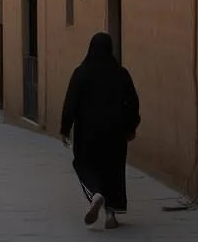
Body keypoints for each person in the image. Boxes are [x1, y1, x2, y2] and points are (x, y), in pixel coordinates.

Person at [60, 31, 141, 230]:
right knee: (113, 170)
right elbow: (133, 102)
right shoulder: (121, 73)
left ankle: (95, 194)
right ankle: (111, 215)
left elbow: (71, 102)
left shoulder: (81, 73)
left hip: (87, 133)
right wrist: (131, 127)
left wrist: (65, 128)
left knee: (84, 164)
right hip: (115, 133)